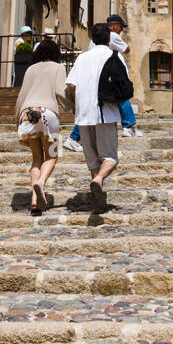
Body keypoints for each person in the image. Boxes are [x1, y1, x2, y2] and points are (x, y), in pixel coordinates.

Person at [64, 22, 120, 210]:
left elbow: (71, 85)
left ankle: (98, 200)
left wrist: (76, 104)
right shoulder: (114, 55)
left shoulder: (82, 58)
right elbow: (124, 84)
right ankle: (98, 180)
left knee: (93, 160)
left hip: (84, 114)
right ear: (108, 38)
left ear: (92, 39)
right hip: (106, 112)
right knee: (110, 158)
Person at [65, 13, 140, 149]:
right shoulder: (112, 36)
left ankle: (74, 137)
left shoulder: (91, 44)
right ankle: (128, 125)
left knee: (91, 107)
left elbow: (71, 84)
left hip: (92, 74)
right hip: (107, 73)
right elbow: (127, 50)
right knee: (120, 95)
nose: (121, 30)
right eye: (120, 26)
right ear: (114, 25)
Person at [15, 38, 67, 213]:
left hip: (27, 114)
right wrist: (73, 107)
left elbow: (21, 96)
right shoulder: (58, 68)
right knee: (52, 155)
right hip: (48, 114)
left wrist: (17, 120)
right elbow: (62, 92)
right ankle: (40, 183)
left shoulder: (30, 69)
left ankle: (35, 199)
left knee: (36, 158)